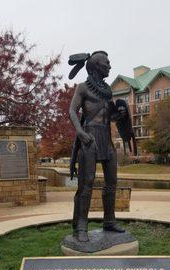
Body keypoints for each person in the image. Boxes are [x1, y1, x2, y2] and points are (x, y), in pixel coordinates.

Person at [68, 51, 129, 242]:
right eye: (107, 63)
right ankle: (81, 226)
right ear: (96, 66)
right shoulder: (82, 88)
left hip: (106, 138)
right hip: (90, 138)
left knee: (112, 182)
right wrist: (79, 131)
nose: (110, 66)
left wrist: (118, 114)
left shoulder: (107, 90)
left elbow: (106, 114)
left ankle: (109, 221)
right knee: (86, 184)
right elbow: (72, 110)